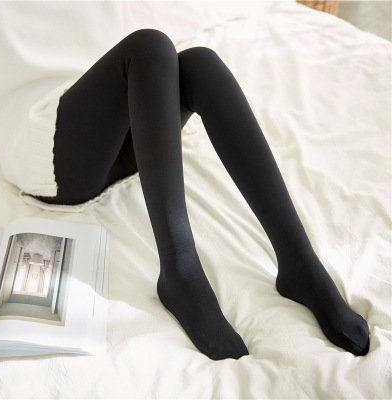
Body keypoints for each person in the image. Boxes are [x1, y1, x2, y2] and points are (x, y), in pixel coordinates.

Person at [32, 28, 369, 360]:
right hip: (49, 144)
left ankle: (299, 261)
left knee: (200, 63)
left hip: (118, 125)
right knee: (149, 45)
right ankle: (179, 270)